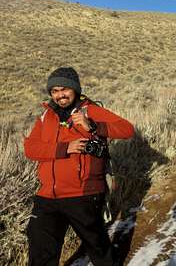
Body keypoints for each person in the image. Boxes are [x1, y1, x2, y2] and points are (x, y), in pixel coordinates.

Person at [24, 67, 135, 266]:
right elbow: (31, 149)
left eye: (65, 89)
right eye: (55, 91)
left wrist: (93, 125)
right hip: (47, 195)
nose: (60, 95)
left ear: (75, 89)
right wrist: (64, 148)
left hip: (83, 193)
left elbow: (126, 129)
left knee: (97, 246)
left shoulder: (90, 110)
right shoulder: (45, 117)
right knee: (40, 250)